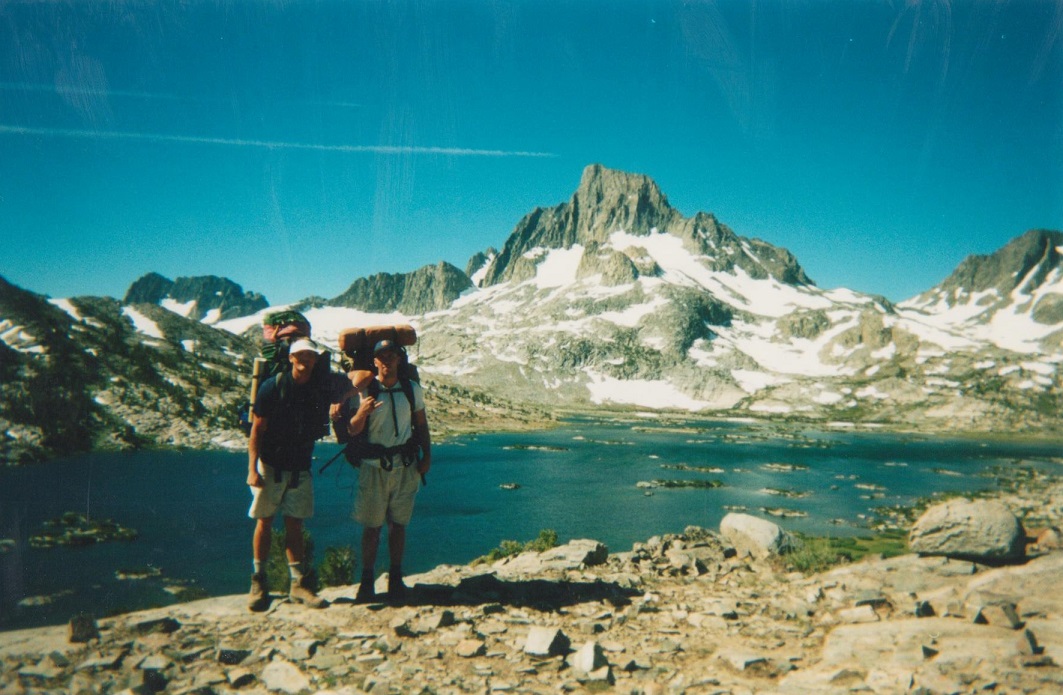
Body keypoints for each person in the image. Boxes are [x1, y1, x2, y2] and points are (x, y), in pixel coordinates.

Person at [341, 339, 431, 604]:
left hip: (405, 465)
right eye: (382, 356)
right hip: (373, 468)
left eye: (392, 356)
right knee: (372, 526)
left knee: (399, 525)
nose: (387, 361)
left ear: (399, 359)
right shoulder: (366, 390)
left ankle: (395, 579)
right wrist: (362, 414)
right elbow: (352, 430)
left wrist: (427, 455)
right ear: (375, 361)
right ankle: (367, 583)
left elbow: (421, 424)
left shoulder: (411, 389)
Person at [246, 338, 329, 611]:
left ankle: (298, 584)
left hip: (299, 468)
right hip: (270, 466)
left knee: (295, 525)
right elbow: (256, 430)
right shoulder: (273, 387)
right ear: (292, 358)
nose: (305, 359)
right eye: (301, 355)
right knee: (265, 522)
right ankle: (258, 581)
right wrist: (252, 470)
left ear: (315, 360)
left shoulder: (316, 389)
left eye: (310, 356)